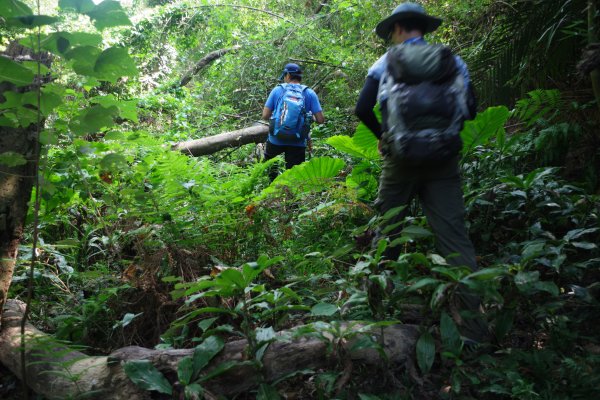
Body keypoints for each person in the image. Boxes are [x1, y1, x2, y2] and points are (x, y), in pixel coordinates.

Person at [355, 3, 487, 345]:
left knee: (387, 231)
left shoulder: (386, 62)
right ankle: (472, 331)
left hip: (400, 160)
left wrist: (384, 135)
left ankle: (378, 317)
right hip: (443, 161)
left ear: (398, 29)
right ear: (422, 29)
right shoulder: (451, 61)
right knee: (455, 239)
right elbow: (471, 110)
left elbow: (361, 107)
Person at [262, 63, 324, 179]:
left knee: (271, 170)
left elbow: (265, 115)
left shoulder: (277, 90)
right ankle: (291, 195)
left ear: (288, 75)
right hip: (298, 140)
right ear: (300, 77)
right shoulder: (309, 93)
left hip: (276, 139)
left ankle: (271, 193)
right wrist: (310, 118)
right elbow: (320, 120)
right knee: (294, 177)